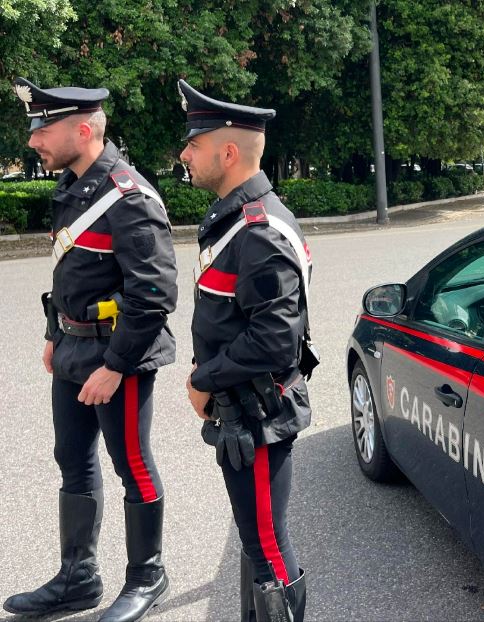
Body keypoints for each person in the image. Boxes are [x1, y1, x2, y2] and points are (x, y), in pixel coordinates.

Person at [3, 78, 177, 621]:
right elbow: (69, 274)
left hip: (117, 358)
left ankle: (147, 577)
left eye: (43, 128)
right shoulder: (74, 188)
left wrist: (116, 367)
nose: (34, 140)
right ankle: (78, 578)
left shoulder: (129, 197)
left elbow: (153, 296)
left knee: (133, 467)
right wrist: (55, 336)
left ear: (83, 129)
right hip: (74, 352)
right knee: (72, 463)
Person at [178, 79, 314, 622]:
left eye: (194, 143)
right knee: (257, 541)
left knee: (268, 549)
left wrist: (203, 379)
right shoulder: (238, 217)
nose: (185, 154)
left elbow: (276, 339)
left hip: (256, 417)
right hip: (242, 412)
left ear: (227, 152)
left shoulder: (258, 230)